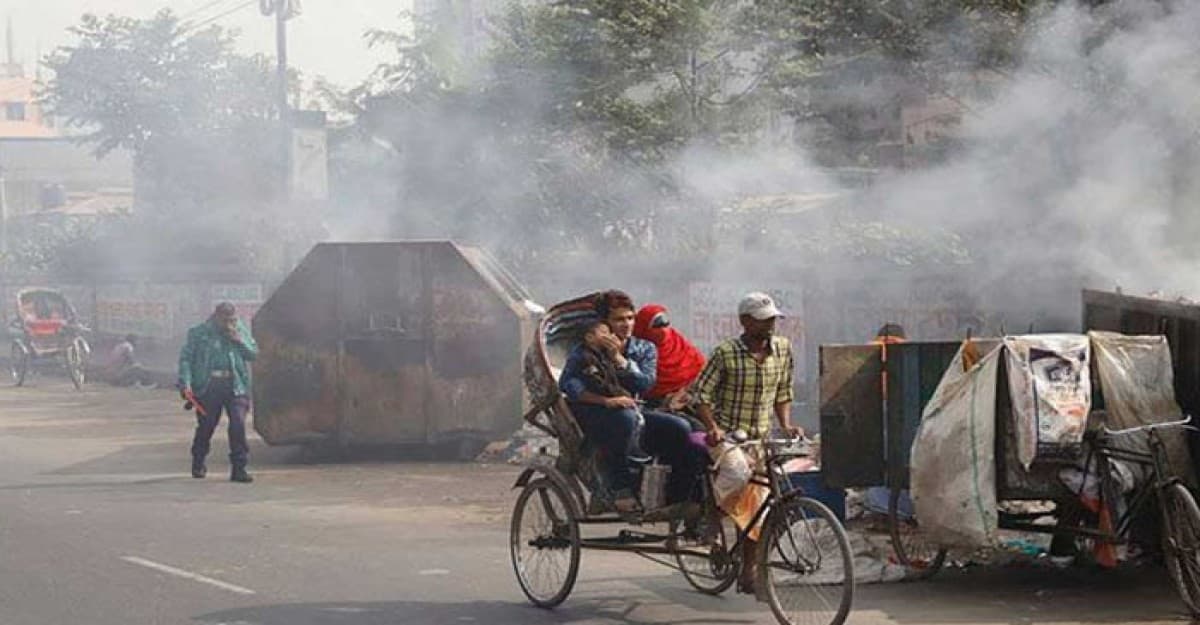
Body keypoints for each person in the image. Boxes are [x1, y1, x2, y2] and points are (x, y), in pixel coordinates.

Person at [693, 291, 802, 594]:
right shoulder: (725, 352)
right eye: (763, 320)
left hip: (760, 438)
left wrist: (787, 424)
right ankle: (711, 517)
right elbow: (700, 395)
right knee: (738, 473)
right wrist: (712, 427)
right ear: (744, 321)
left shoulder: (782, 349)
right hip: (727, 435)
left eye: (772, 319)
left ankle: (749, 571)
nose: (770, 325)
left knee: (762, 507)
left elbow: (783, 392)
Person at [559, 290, 704, 513]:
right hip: (593, 410)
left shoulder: (644, 348)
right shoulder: (586, 349)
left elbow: (645, 384)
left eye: (630, 318)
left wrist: (619, 359)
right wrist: (605, 401)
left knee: (680, 428)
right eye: (619, 319)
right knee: (624, 419)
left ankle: (677, 497)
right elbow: (569, 384)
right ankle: (620, 488)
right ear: (605, 322)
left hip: (632, 409)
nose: (626, 324)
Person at [178, 302, 258, 483]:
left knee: (238, 423)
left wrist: (240, 340)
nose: (229, 324)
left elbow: (253, 354)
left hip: (235, 384)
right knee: (207, 425)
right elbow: (186, 359)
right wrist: (186, 383)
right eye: (225, 320)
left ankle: (239, 467)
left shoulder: (239, 330)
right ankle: (198, 459)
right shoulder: (199, 333)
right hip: (209, 385)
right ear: (216, 317)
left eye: (232, 320)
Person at [633, 303, 706, 413]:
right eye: (656, 325)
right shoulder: (637, 350)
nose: (663, 329)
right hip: (652, 407)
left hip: (688, 399)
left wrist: (685, 393)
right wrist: (667, 403)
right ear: (643, 328)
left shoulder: (678, 343)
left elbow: (702, 372)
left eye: (665, 324)